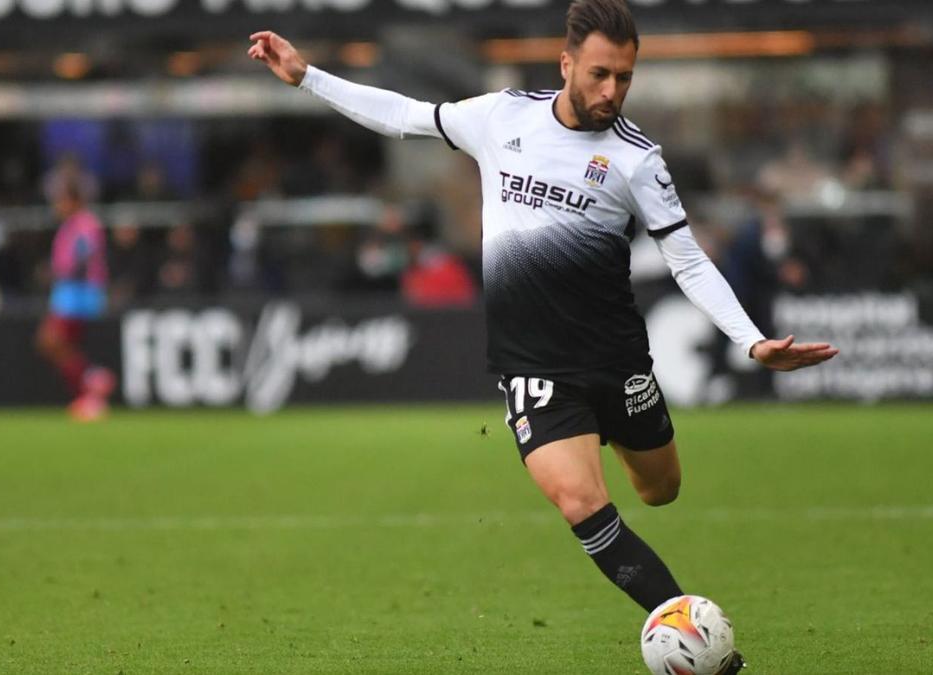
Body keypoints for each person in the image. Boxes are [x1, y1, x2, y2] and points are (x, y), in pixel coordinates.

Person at [249, 2, 836, 669]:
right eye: (599, 74)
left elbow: (688, 258)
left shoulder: (637, 159)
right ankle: (699, 646)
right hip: (533, 366)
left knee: (660, 488)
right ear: (566, 65)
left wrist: (750, 340)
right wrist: (308, 77)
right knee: (582, 500)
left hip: (615, 357)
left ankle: (629, 473)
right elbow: (404, 114)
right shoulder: (502, 118)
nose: (611, 91)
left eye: (624, 78)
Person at [35, 181, 116, 421]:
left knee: (51, 339)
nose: (58, 206)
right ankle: (92, 381)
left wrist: (61, 273)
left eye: (62, 200)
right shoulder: (70, 226)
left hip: (78, 293)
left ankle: (90, 387)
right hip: (67, 292)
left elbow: (83, 258)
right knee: (56, 344)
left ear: (75, 201)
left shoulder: (85, 224)